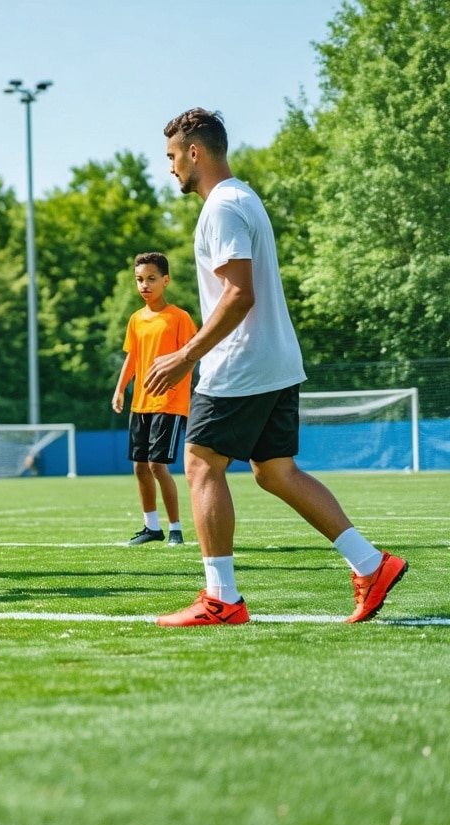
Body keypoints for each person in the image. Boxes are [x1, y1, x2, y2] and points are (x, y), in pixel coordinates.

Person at [144, 108, 406, 626]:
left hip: (242, 362)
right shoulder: (244, 197)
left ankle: (221, 598)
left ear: (195, 152)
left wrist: (186, 354)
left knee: (200, 464)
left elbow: (240, 294)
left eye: (173, 157)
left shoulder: (220, 206)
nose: (171, 168)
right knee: (276, 471)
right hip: (276, 359)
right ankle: (371, 564)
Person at [112, 252, 196, 547]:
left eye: (150, 279)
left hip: (169, 403)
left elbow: (191, 357)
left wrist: (176, 384)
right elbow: (132, 357)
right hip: (141, 403)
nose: (144, 285)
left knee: (158, 466)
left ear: (165, 280)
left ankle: (175, 529)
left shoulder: (179, 317)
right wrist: (120, 388)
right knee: (139, 466)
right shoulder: (136, 320)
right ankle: (151, 527)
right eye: (139, 279)